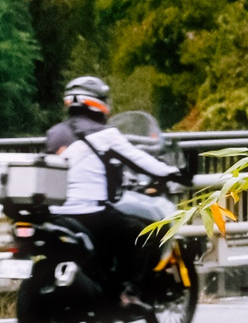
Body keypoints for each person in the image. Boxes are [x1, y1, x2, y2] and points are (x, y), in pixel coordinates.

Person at [46, 76, 180, 300]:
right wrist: (171, 172)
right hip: (90, 213)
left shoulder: (55, 133)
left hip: (57, 214)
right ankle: (129, 292)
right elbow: (139, 159)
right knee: (141, 234)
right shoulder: (106, 134)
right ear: (97, 103)